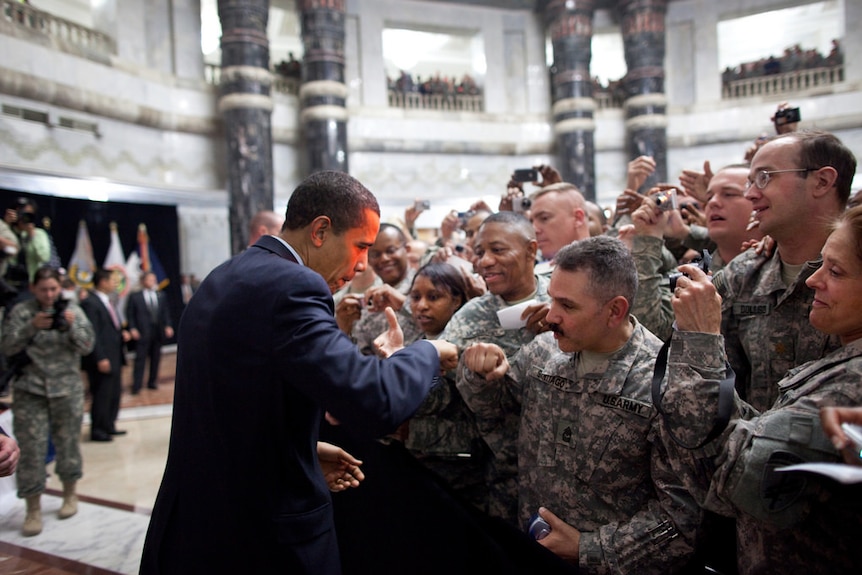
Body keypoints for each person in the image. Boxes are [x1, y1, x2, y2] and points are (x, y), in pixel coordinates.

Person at [140, 170, 457, 575]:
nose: (362, 265)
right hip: (263, 539)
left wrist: (299, 452)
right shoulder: (295, 286)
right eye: (360, 247)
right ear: (321, 230)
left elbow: (238, 403)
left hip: (203, 522)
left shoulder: (226, 274)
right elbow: (372, 398)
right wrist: (427, 352)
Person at [456, 237, 700, 573]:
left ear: (615, 310)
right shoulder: (543, 352)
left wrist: (590, 549)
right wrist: (480, 373)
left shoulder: (665, 384)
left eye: (567, 306)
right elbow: (497, 421)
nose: (550, 316)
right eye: (552, 299)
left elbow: (682, 515)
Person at [657, 204, 862, 574]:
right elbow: (763, 433)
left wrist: (700, 340)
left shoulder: (853, 387)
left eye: (836, 271)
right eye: (820, 264)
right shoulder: (843, 362)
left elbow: (725, 479)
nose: (812, 281)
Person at [714, 130, 856, 411]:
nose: (751, 194)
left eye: (765, 177)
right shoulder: (743, 275)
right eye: (749, 182)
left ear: (822, 181)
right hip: (751, 447)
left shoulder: (856, 273)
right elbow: (724, 383)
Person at [440, 210, 551, 523]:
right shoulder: (468, 317)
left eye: (498, 250)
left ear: (531, 250)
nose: (485, 261)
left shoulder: (564, 302)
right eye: (479, 252)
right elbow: (446, 392)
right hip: (500, 478)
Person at [376, 262, 488, 510]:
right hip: (420, 462)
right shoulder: (420, 341)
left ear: (457, 300)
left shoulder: (465, 344)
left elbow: (438, 397)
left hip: (458, 469)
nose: (421, 306)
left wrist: (399, 368)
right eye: (415, 297)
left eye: (434, 297)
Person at [1, 266, 94, 536]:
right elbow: (6, 346)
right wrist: (31, 327)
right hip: (31, 391)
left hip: (67, 389)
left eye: (54, 288)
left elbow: (88, 345)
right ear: (33, 289)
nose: (50, 294)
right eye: (44, 289)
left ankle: (70, 494)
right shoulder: (22, 312)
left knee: (68, 445)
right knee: (31, 450)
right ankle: (32, 508)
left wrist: (70, 326)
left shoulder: (73, 310)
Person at [336, 223, 420, 354]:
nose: (384, 259)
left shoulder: (427, 287)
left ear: (407, 249)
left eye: (391, 250)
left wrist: (404, 304)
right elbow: (360, 355)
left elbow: (441, 327)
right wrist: (344, 328)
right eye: (375, 254)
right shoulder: (370, 298)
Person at [80, 268, 130, 441]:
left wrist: (121, 334)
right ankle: (98, 429)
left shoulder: (109, 301)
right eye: (112, 280)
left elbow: (110, 327)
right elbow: (92, 333)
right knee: (102, 393)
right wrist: (100, 357)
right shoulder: (91, 303)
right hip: (103, 358)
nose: (115, 283)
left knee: (114, 392)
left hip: (115, 354)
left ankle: (109, 425)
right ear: (102, 281)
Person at [125, 271, 174, 393]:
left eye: (154, 279)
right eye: (150, 280)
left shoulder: (160, 295)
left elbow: (165, 312)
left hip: (157, 332)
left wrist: (168, 325)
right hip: (142, 332)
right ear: (143, 281)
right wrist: (132, 328)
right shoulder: (135, 296)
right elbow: (130, 314)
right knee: (140, 359)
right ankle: (136, 385)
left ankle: (152, 381)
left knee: (155, 358)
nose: (152, 282)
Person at [527, 182, 590, 268]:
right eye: (531, 221)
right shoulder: (535, 272)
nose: (534, 229)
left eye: (544, 218)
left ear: (578, 218)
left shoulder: (608, 270)